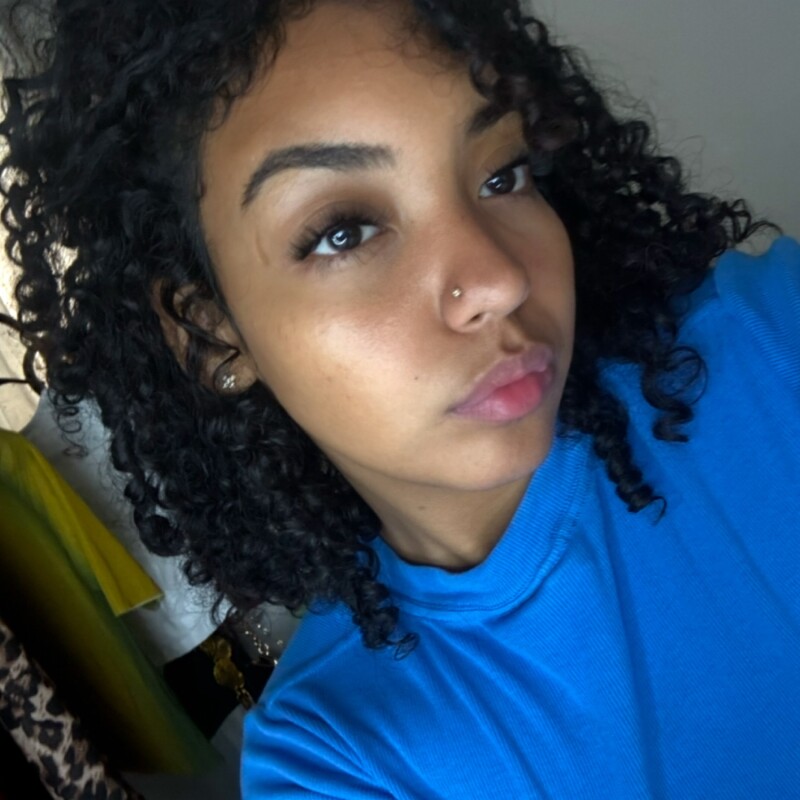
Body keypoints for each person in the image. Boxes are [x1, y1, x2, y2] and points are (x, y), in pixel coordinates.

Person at [1, 0, 797, 797]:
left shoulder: (767, 340)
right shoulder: (332, 759)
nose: (499, 279)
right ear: (213, 334)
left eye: (502, 174)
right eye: (344, 232)